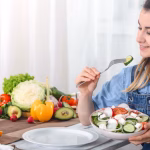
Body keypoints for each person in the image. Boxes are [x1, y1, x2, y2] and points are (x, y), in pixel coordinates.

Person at [75, 0, 150, 149]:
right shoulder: (132, 77)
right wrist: (85, 93)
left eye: (149, 32)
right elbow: (87, 119)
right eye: (139, 28)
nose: (138, 38)